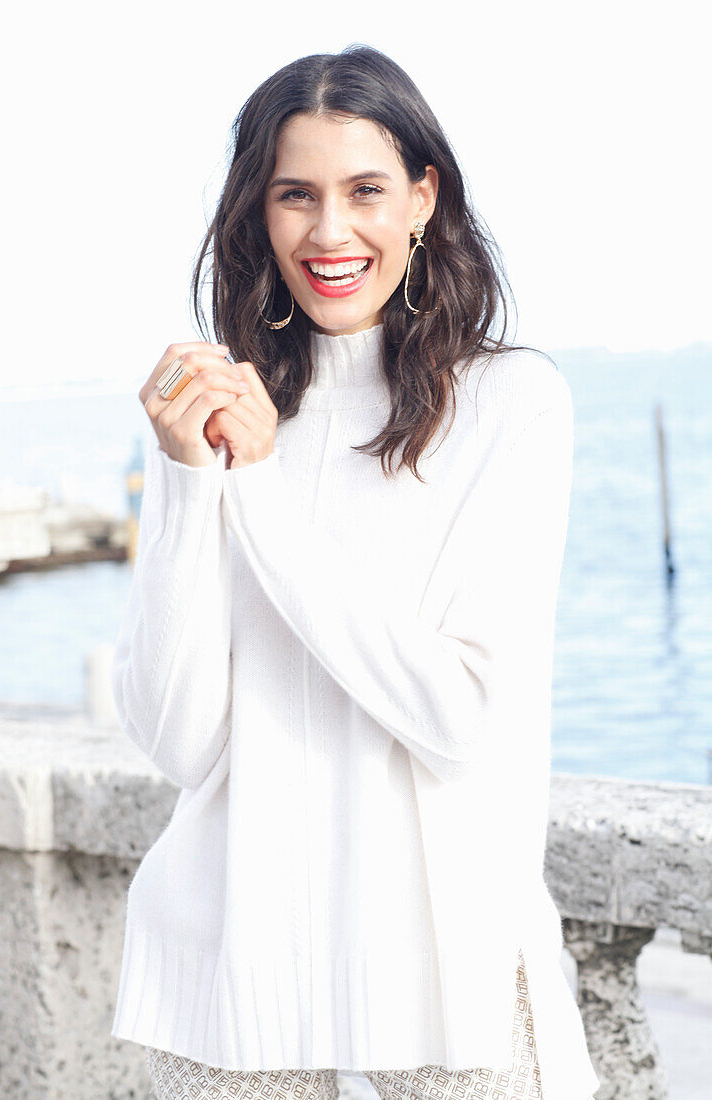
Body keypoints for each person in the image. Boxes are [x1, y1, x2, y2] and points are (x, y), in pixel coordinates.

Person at [110, 43, 601, 1100]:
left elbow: (460, 709)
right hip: (228, 963)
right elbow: (178, 739)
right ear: (258, 214)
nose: (330, 232)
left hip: (446, 959)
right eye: (295, 195)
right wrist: (193, 480)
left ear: (423, 197)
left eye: (365, 190)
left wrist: (263, 491)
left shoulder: (509, 404)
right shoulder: (230, 414)